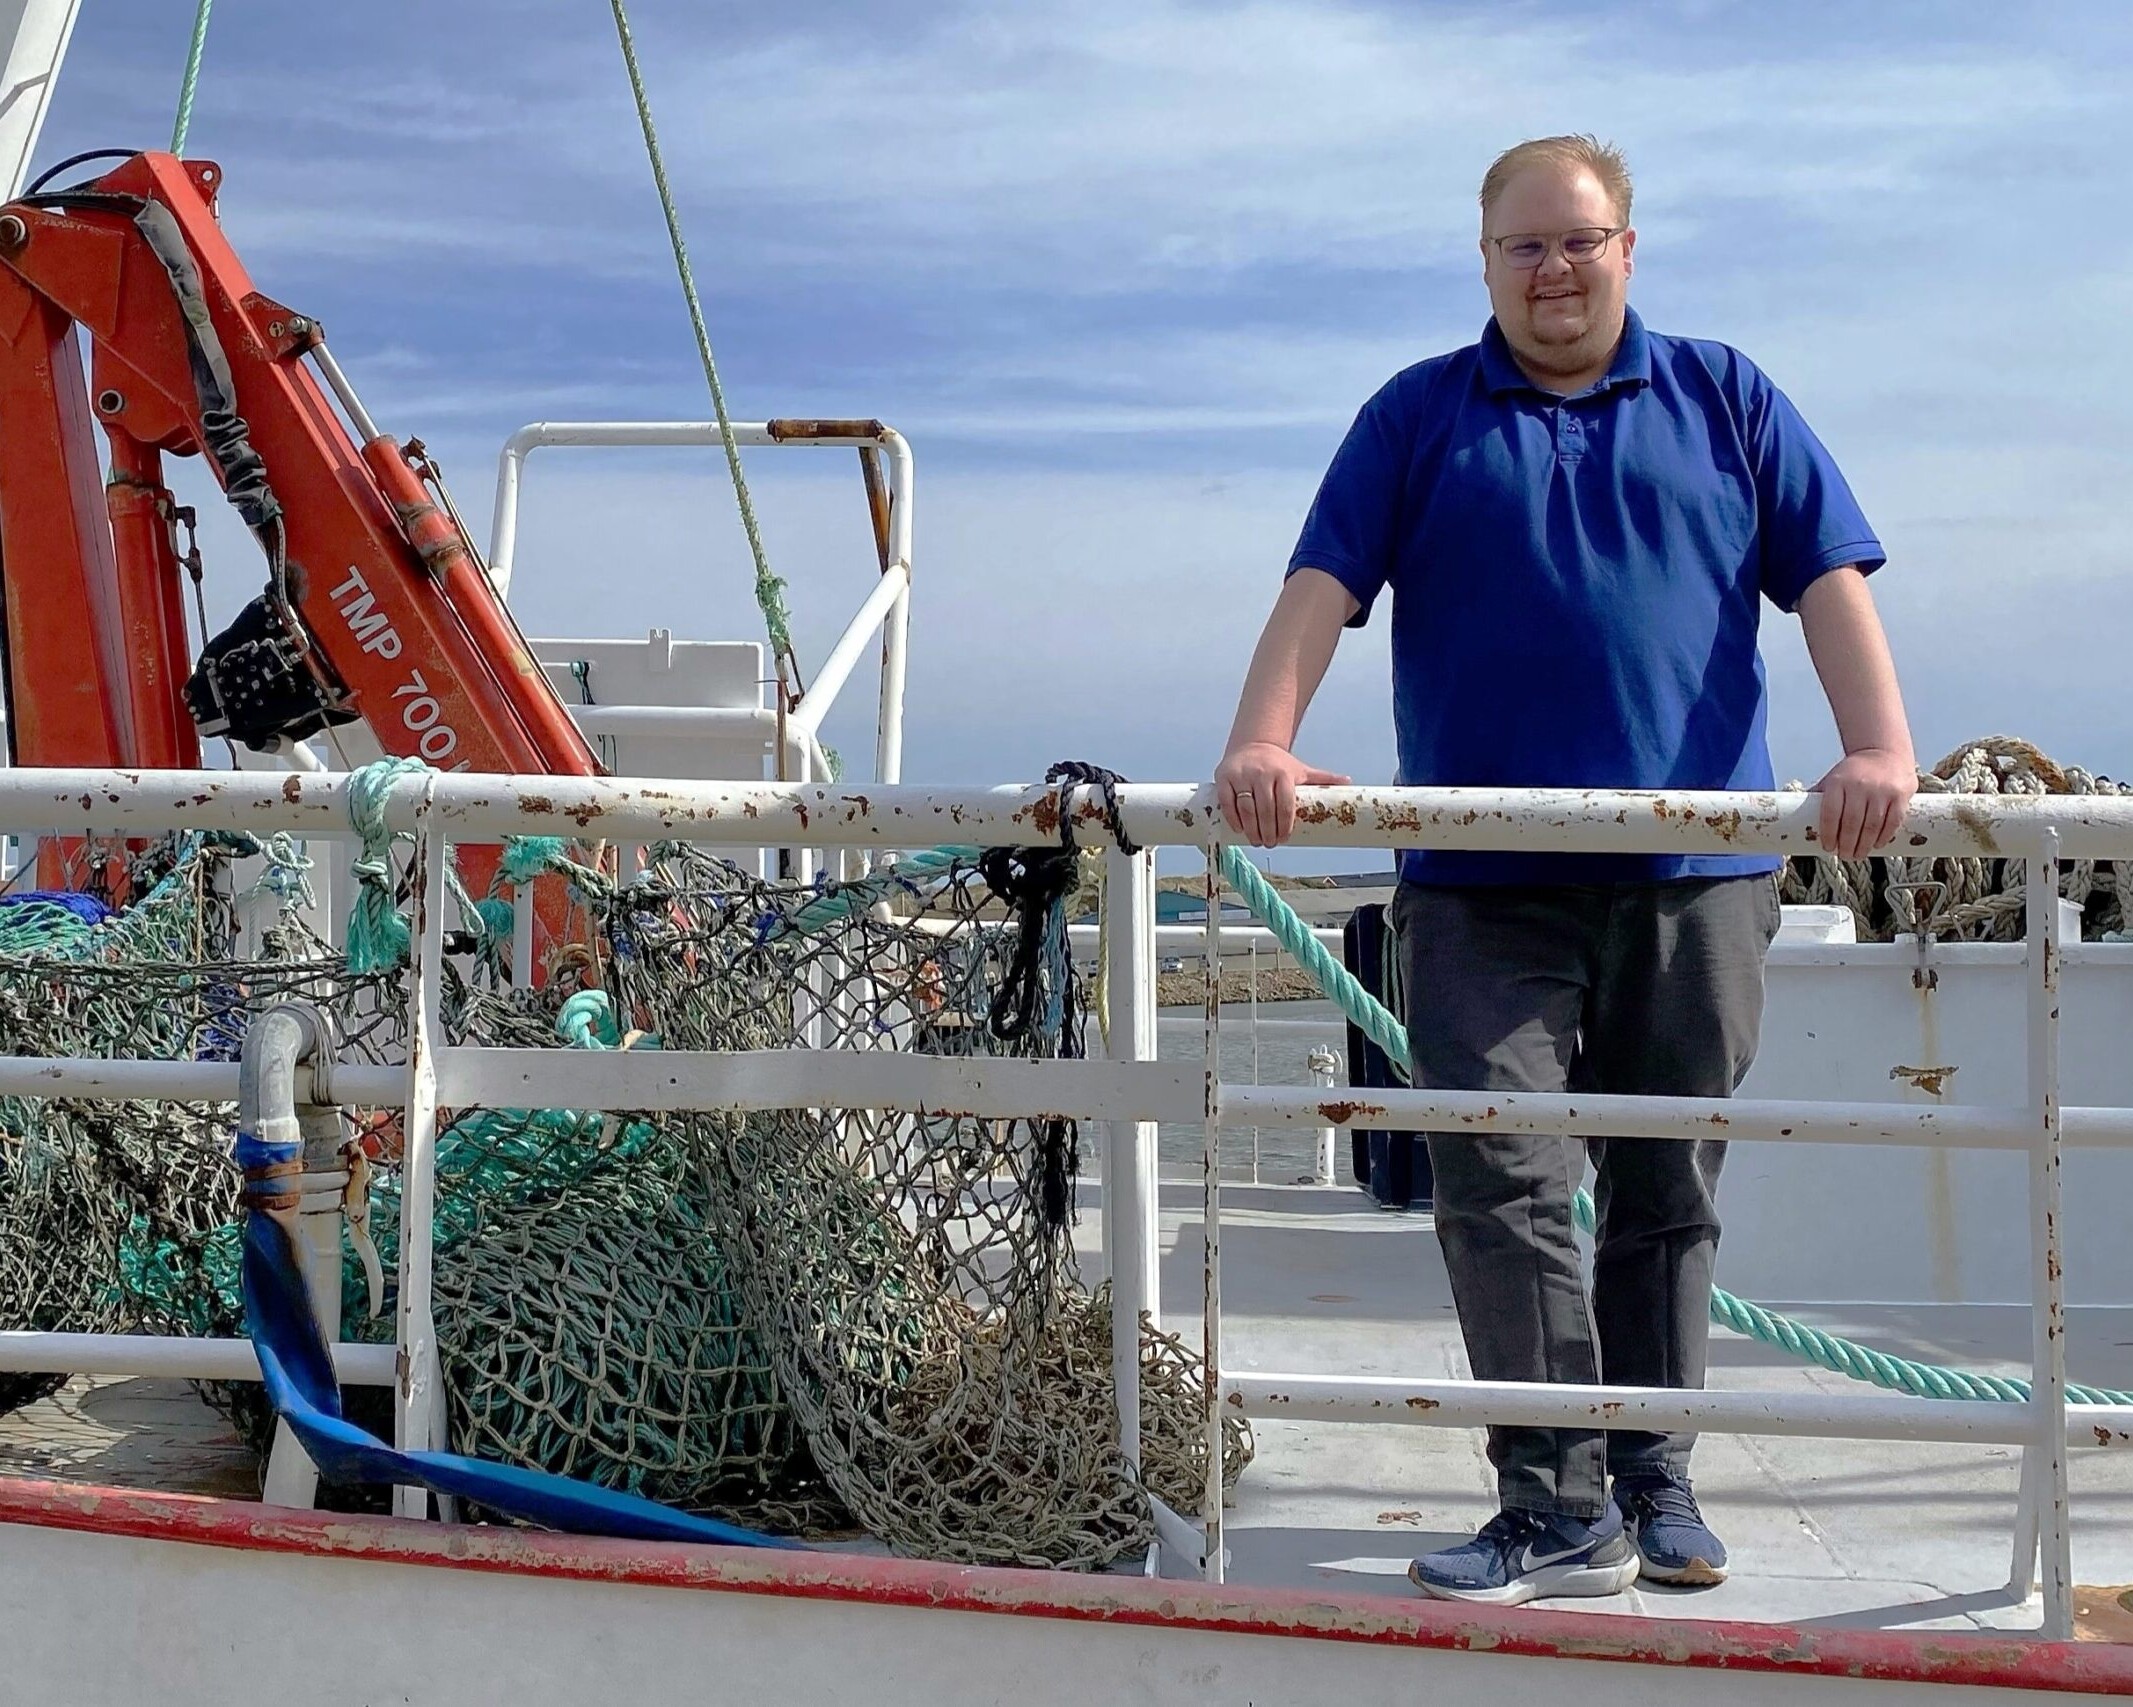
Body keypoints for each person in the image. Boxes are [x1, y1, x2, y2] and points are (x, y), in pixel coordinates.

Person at [1213, 134, 1915, 1605]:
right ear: (1485, 264)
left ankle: (1655, 1479)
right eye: (1522, 247)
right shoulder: (1414, 416)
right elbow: (1319, 588)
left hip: (1695, 878)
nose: (1552, 269)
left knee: (1664, 1188)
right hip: (1479, 887)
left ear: (1626, 250)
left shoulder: (1727, 396)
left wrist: (1878, 754)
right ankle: (1551, 1503)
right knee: (1501, 1181)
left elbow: (1828, 579)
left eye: (1578, 241)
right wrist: (1262, 744)